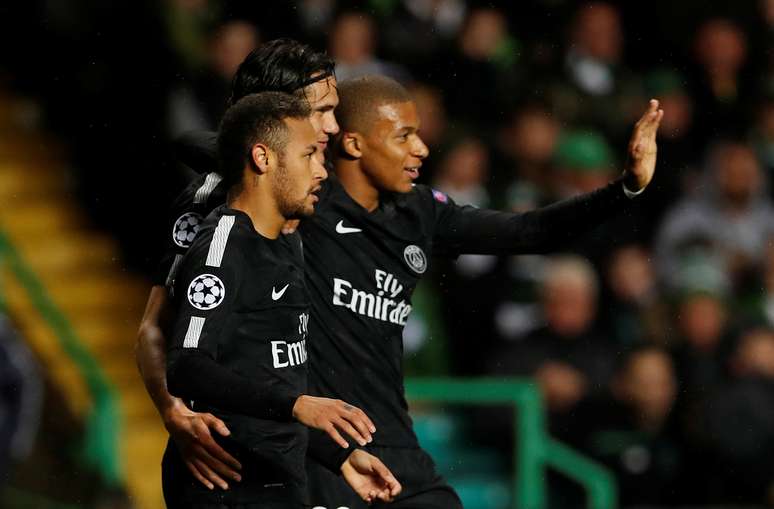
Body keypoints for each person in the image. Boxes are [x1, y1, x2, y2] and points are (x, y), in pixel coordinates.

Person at [176, 74, 663, 508]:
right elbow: (191, 143)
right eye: (403, 135)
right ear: (353, 144)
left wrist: (625, 188)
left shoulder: (422, 214)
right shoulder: (308, 202)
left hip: (398, 445)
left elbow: (529, 232)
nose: (422, 150)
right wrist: (290, 134)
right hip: (325, 449)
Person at [136, 39, 400, 502]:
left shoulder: (305, 203)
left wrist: (335, 453)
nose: (333, 127)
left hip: (299, 442)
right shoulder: (215, 213)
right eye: (322, 111)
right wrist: (174, 412)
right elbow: (158, 332)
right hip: (238, 456)